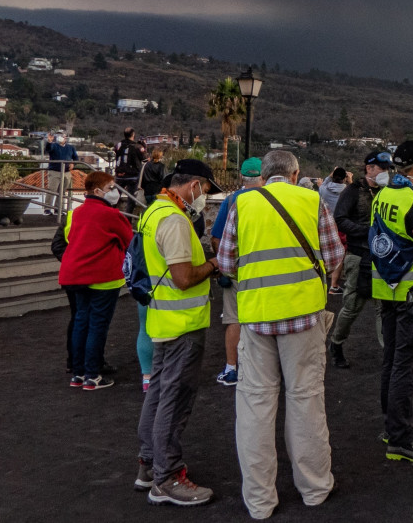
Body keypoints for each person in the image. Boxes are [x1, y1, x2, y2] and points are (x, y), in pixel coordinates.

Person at [217, 150, 341, 517]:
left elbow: (225, 262)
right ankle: (315, 489)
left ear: (264, 174)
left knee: (255, 405)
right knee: (306, 401)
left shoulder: (242, 204)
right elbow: (333, 257)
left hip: (255, 319)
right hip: (303, 317)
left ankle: (259, 501)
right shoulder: (311, 199)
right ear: (295, 173)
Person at [135, 159, 222, 506]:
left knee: (157, 394)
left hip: (163, 321)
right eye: (207, 190)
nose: (206, 197)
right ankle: (167, 477)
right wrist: (214, 265)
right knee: (174, 400)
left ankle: (148, 464)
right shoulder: (173, 220)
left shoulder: (154, 212)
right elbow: (183, 278)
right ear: (194, 184)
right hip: (183, 325)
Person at [372, 140, 413, 462]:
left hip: (385, 289)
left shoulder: (382, 195)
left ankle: (394, 424)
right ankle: (400, 438)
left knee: (391, 362)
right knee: (405, 366)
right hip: (408, 294)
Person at [58, 172, 133, 390]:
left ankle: (78, 373)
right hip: (103, 277)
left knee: (81, 321)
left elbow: (69, 239)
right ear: (97, 191)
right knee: (97, 325)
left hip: (74, 275)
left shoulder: (75, 213)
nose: (115, 191)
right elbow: (130, 242)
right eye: (111, 187)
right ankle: (93, 375)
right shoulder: (112, 215)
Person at [328, 150, 393, 368]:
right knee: (352, 306)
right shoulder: (353, 191)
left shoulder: (388, 192)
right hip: (358, 255)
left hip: (381, 258)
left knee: (382, 307)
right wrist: (366, 232)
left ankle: (389, 353)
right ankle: (336, 343)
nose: (385, 173)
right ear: (369, 168)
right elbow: (340, 219)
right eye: (381, 168)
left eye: (387, 169)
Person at [210, 157, 264, 386]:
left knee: (234, 319)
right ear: (263, 176)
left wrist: (224, 265)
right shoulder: (270, 200)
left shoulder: (231, 200)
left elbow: (216, 238)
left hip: (237, 270)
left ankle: (231, 368)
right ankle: (262, 368)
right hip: (264, 269)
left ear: (242, 176)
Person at [320, 166, 351, 292]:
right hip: (341, 226)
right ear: (344, 179)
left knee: (323, 253)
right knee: (340, 255)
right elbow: (357, 193)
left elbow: (325, 183)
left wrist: (330, 174)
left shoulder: (323, 190)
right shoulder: (347, 191)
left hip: (326, 225)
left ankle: (322, 282)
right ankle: (333, 285)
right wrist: (350, 180)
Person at [46, 133, 78, 215]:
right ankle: (47, 209)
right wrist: (49, 142)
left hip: (66, 172)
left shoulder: (70, 148)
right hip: (54, 171)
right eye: (60, 136)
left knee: (62, 191)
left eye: (63, 136)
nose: (62, 138)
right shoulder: (54, 146)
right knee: (52, 190)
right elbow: (48, 149)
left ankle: (58, 209)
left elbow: (76, 158)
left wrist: (73, 163)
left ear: (65, 138)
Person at [114, 127, 145, 197]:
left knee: (115, 196)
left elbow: (115, 150)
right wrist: (143, 146)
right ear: (133, 134)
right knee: (132, 197)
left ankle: (112, 207)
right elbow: (143, 158)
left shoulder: (118, 145)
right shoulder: (137, 146)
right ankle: (129, 208)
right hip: (132, 175)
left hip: (119, 173)